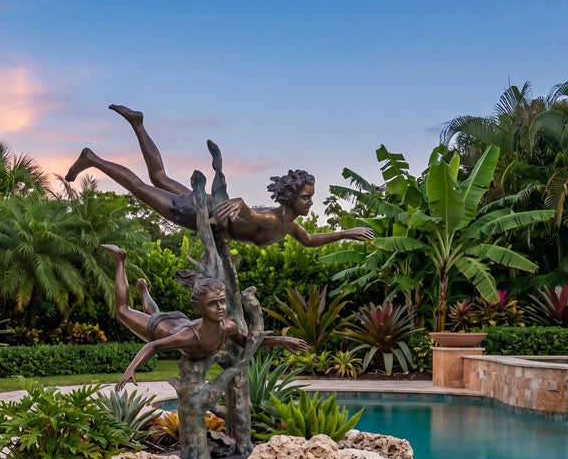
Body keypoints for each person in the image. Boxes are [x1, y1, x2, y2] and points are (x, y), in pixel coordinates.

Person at [66, 105, 374, 247]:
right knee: (141, 186)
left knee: (160, 176)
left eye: (310, 197)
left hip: (212, 203)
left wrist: (348, 233)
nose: (310, 202)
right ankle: (92, 158)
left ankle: (138, 124)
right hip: (197, 211)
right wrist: (238, 203)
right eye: (306, 196)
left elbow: (310, 240)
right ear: (291, 197)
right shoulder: (274, 220)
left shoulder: (289, 224)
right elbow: (250, 212)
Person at [102, 245, 307, 390]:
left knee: (155, 313)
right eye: (212, 304)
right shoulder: (188, 338)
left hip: (179, 321)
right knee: (124, 311)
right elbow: (152, 346)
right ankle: (120, 261)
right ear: (200, 308)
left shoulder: (228, 327)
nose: (219, 308)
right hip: (160, 328)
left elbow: (247, 343)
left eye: (221, 301)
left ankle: (144, 292)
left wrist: (282, 340)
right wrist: (132, 368)